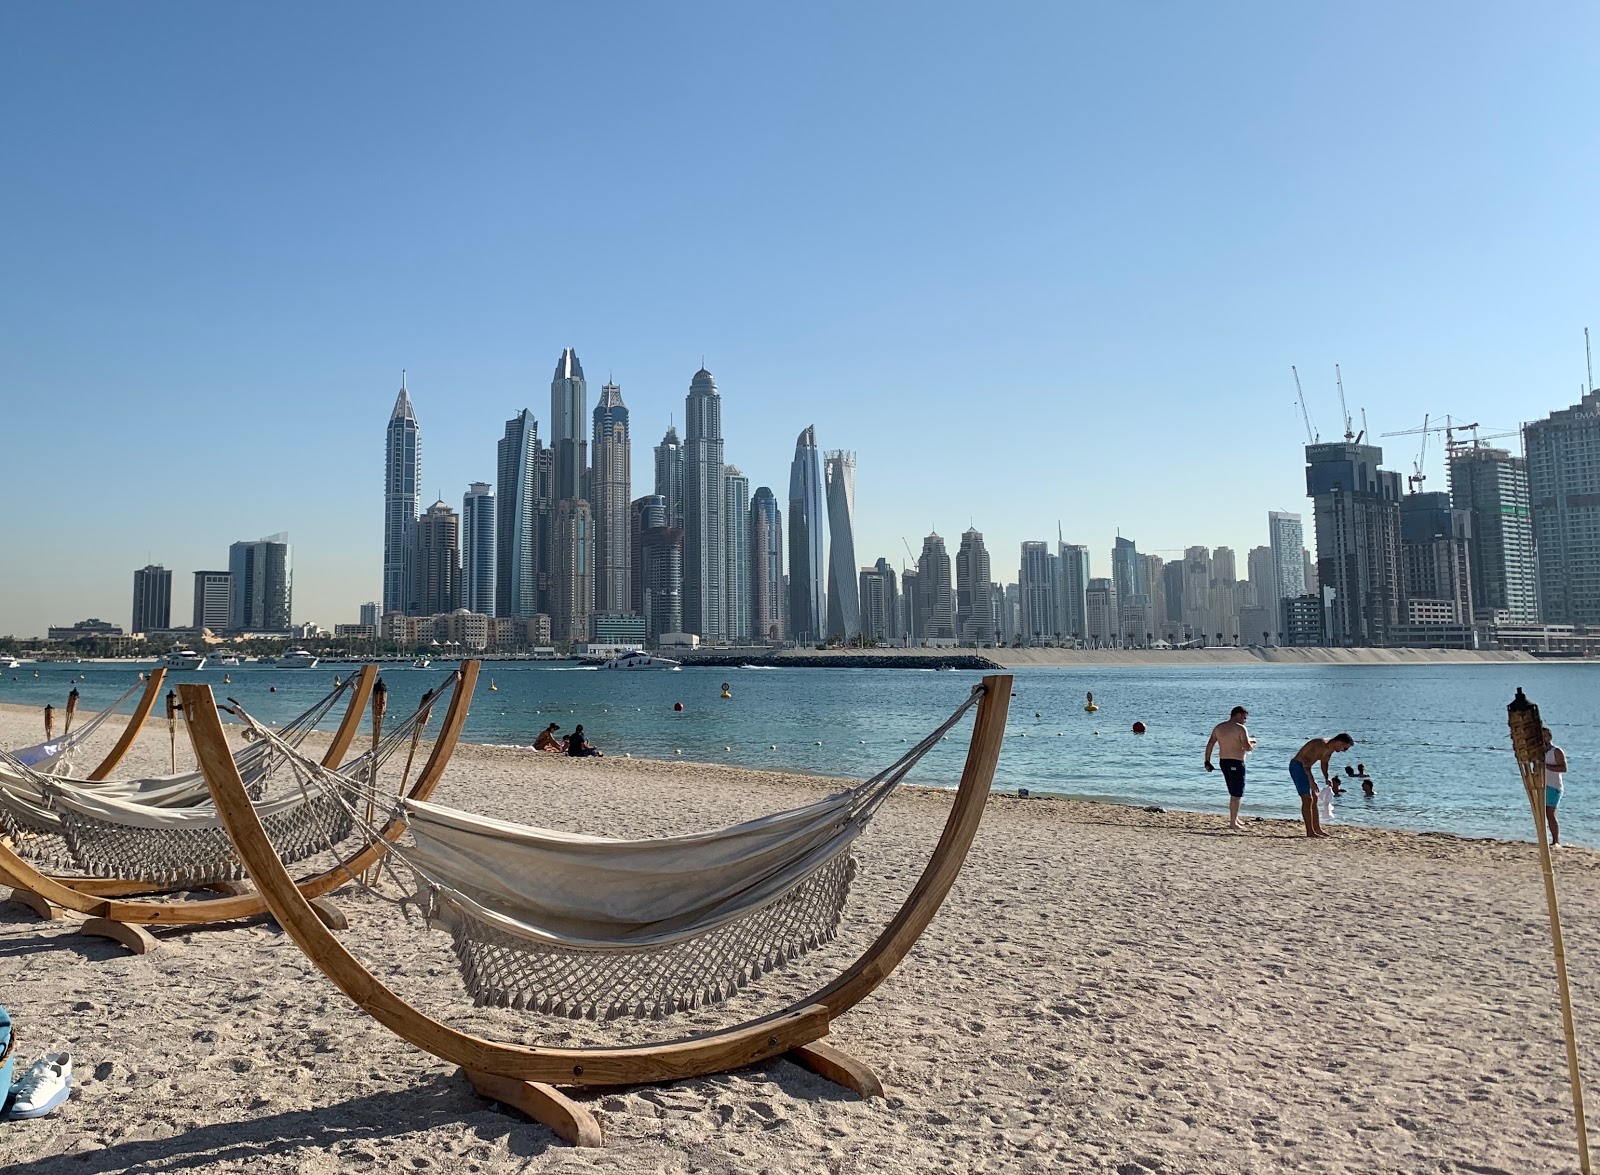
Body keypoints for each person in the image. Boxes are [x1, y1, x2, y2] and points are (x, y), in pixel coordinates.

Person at [1289, 734, 1354, 839]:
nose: (1344, 751)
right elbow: (1305, 764)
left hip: (1305, 768)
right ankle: (1310, 831)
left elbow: (1324, 763)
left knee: (1314, 799)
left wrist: (1326, 777)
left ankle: (1317, 829)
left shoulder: (1330, 749)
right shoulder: (1319, 745)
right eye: (1345, 748)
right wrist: (1312, 781)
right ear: (1339, 742)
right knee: (1307, 799)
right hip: (1297, 766)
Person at [1203, 705, 1257, 831]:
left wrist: (1207, 760)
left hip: (1224, 762)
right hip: (1236, 762)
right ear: (1238, 715)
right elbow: (1246, 747)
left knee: (1233, 792)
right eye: (1244, 717)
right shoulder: (1240, 728)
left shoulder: (1219, 727)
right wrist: (1253, 744)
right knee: (1236, 793)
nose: (1245, 720)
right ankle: (1233, 822)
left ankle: (1235, 818)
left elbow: (1210, 743)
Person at [1543, 727, 1569, 847]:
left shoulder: (1556, 751)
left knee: (1551, 813)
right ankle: (1545, 838)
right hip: (1542, 785)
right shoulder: (1540, 752)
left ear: (1550, 737)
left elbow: (1563, 768)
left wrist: (1547, 766)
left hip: (1554, 786)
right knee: (1542, 813)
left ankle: (1556, 840)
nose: (1544, 738)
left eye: (1546, 736)